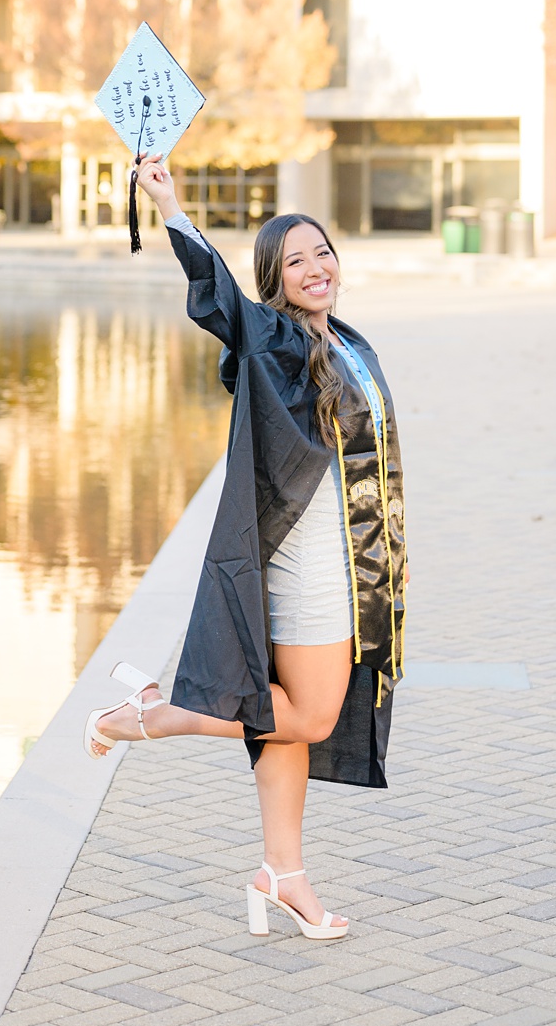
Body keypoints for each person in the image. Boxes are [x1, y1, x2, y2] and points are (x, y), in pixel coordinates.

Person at [80, 155, 407, 943]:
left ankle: (283, 875)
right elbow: (221, 301)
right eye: (295, 261)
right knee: (313, 717)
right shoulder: (273, 339)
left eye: (322, 252)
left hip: (353, 559)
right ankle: (150, 716)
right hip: (308, 561)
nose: (315, 268)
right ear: (275, 280)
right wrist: (170, 205)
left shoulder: (348, 343)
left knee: (287, 725)